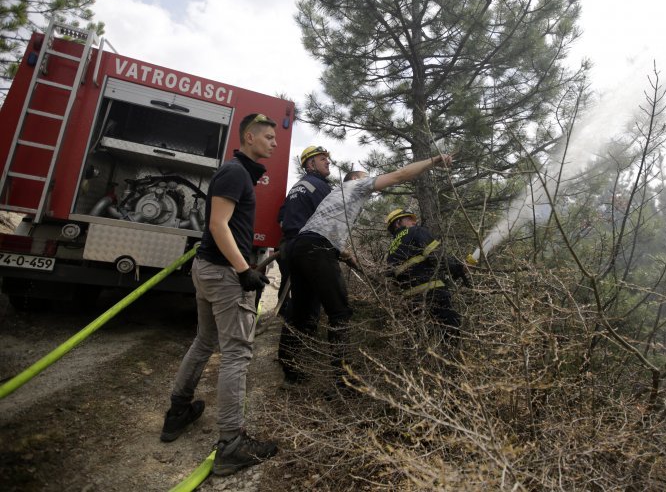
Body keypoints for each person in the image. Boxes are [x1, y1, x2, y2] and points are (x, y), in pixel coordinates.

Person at [160, 113, 279, 477]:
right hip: (224, 273)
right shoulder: (234, 173)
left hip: (210, 269)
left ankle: (178, 411)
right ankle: (231, 444)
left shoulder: (241, 173)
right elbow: (217, 224)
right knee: (237, 353)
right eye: (269, 137)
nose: (274, 142)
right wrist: (244, 271)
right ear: (248, 138)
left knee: (205, 340)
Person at [282, 154, 453, 390]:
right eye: (367, 178)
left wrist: (349, 258)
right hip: (317, 249)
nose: (371, 184)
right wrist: (433, 161)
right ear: (356, 179)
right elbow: (401, 174)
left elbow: (323, 233)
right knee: (340, 314)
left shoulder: (333, 196)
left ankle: (290, 372)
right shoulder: (356, 185)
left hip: (299, 248)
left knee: (300, 313)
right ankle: (343, 383)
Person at [275, 146, 333, 380]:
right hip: (310, 251)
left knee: (297, 306)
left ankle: (289, 359)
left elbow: (281, 217)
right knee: (306, 309)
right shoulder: (320, 187)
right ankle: (294, 366)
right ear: (310, 165)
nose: (327, 162)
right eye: (322, 159)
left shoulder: (296, 188)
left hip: (291, 247)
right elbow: (332, 219)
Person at [384, 208, 470, 342]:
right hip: (433, 293)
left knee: (425, 338)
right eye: (409, 219)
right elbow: (437, 256)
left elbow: (392, 277)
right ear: (398, 223)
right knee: (451, 333)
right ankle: (455, 359)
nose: (414, 221)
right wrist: (459, 267)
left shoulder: (391, 250)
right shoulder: (416, 232)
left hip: (411, 302)